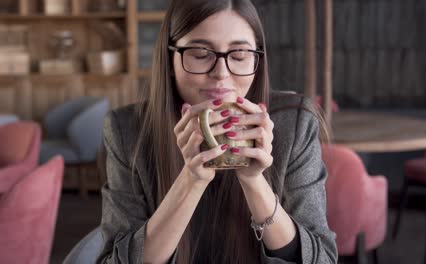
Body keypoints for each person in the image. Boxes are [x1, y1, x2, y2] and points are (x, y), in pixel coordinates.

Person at [97, 0, 337, 263]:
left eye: (239, 55)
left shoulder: (295, 124)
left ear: (257, 59)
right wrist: (191, 179)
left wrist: (254, 181)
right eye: (200, 54)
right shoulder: (126, 131)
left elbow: (322, 258)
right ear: (170, 59)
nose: (221, 74)